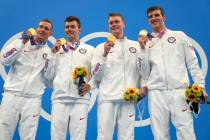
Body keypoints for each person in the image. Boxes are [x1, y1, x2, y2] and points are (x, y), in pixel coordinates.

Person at [138, 6, 208, 140]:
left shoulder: (179, 36)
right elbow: (144, 72)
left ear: (164, 17)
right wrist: (142, 50)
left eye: (156, 15)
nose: (153, 18)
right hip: (156, 93)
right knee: (160, 135)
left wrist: (200, 86)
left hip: (179, 92)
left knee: (186, 133)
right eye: (150, 17)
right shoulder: (145, 43)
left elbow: (193, 64)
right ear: (148, 21)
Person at [94, 13, 146, 140]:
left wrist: (144, 86)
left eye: (116, 21)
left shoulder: (136, 46)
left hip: (128, 98)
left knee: (127, 137)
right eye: (111, 23)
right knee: (104, 137)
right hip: (107, 99)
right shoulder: (100, 47)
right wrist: (104, 55)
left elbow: (144, 71)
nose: (114, 25)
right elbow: (96, 75)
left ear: (123, 24)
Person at [44, 16, 96, 140]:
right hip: (59, 100)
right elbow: (47, 76)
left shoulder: (90, 50)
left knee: (78, 137)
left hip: (80, 100)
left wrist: (90, 85)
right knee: (57, 137)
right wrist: (52, 54)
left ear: (79, 30)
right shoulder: (56, 50)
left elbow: (97, 75)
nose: (69, 29)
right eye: (67, 27)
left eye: (73, 26)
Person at [0, 19, 53, 140]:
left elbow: (50, 78)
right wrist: (22, 42)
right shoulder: (20, 43)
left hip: (32, 100)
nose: (43, 30)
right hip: (11, 96)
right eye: (41, 27)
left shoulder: (49, 53)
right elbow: (4, 60)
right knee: (3, 134)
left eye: (46, 29)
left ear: (50, 34)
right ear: (36, 28)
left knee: (28, 137)